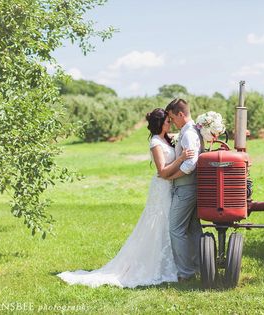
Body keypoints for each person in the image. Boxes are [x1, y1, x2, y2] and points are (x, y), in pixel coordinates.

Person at [57, 108, 194, 288]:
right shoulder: (155, 142)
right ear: (160, 124)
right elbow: (162, 171)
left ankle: (175, 264)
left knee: (168, 225)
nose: (170, 123)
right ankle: (155, 265)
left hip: (171, 187)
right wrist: (181, 158)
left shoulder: (166, 139)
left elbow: (186, 132)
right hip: (162, 187)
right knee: (157, 225)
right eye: (168, 121)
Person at [164, 98, 203, 282]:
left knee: (176, 229)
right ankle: (200, 267)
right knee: (194, 228)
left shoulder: (188, 133)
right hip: (193, 187)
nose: (172, 122)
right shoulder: (192, 130)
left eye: (172, 118)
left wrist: (172, 177)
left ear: (181, 114)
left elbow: (191, 164)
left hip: (185, 188)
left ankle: (186, 274)